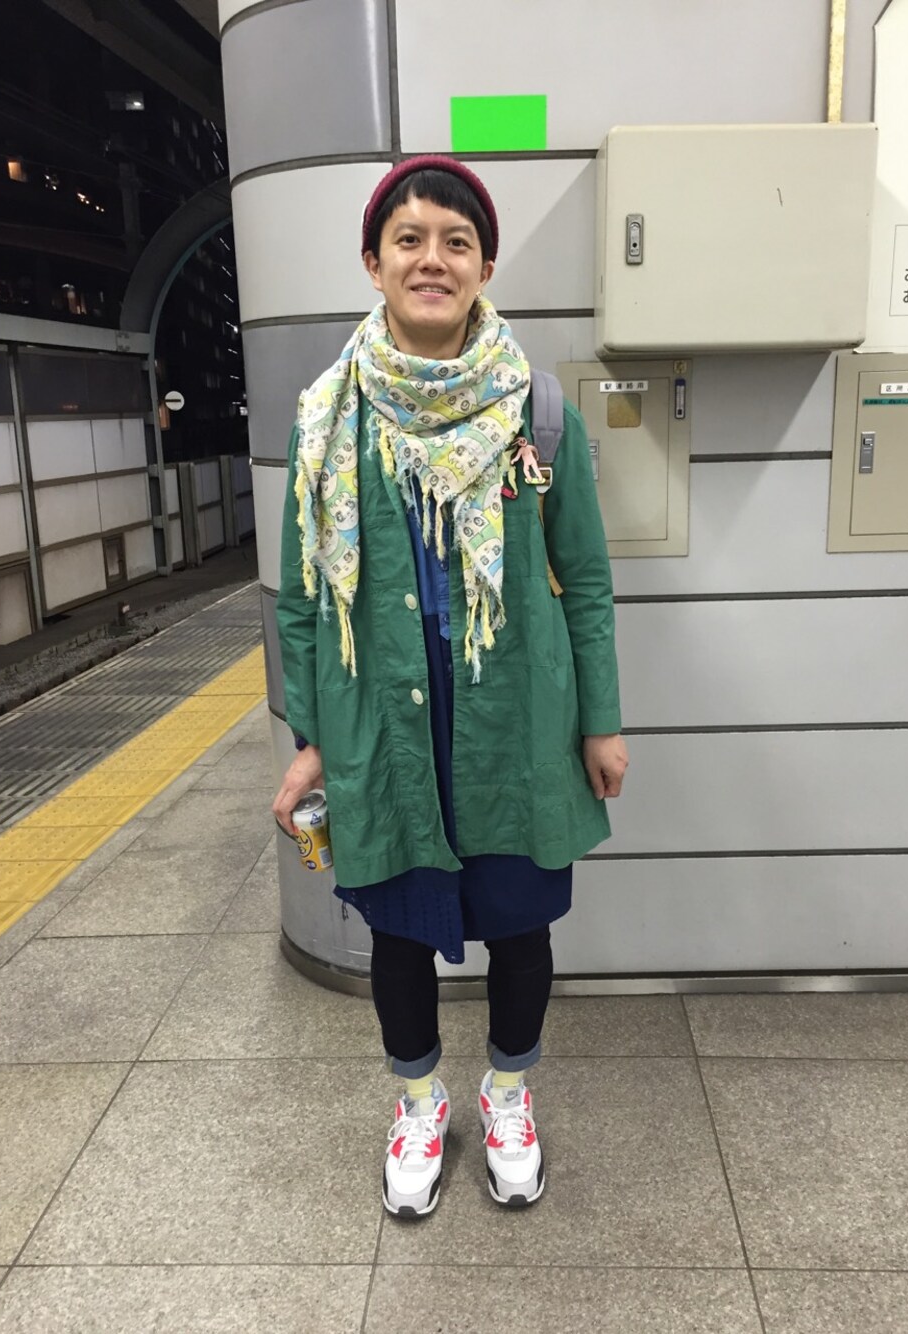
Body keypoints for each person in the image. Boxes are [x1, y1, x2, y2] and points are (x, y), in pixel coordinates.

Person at [272, 155, 627, 1218]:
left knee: (521, 924)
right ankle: (419, 1100)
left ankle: (506, 1093)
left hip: (516, 722)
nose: (434, 259)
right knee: (397, 929)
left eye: (456, 242)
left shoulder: (540, 413)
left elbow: (586, 580)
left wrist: (600, 722)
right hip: (381, 720)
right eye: (410, 239)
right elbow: (303, 595)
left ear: (484, 266)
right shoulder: (326, 418)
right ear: (373, 262)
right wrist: (311, 737)